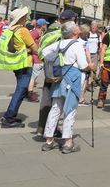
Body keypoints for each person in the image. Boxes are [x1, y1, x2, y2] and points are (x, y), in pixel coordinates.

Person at [40, 21, 92, 154]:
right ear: (74, 32)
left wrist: (58, 60)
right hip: (72, 79)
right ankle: (68, 142)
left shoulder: (59, 43)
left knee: (56, 108)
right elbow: (82, 65)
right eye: (75, 25)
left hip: (59, 78)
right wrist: (91, 66)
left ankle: (49, 141)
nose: (77, 26)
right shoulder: (77, 45)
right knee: (70, 110)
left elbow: (44, 51)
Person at [0, 6, 38, 128]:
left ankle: (10, 115)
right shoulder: (22, 30)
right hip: (25, 64)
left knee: (21, 89)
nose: (26, 17)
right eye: (24, 16)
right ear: (21, 18)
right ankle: (9, 117)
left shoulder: (9, 29)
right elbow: (34, 47)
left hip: (16, 63)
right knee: (21, 89)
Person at [35, 10, 76, 138]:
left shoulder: (48, 32)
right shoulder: (64, 33)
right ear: (70, 20)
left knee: (46, 99)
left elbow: (41, 51)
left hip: (48, 69)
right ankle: (51, 131)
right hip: (60, 71)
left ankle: (41, 128)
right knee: (57, 102)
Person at [27, 18, 48, 102]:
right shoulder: (35, 32)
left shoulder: (40, 32)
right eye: (45, 24)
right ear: (42, 25)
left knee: (33, 76)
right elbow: (28, 42)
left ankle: (28, 92)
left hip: (39, 57)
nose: (46, 26)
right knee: (33, 76)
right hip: (36, 58)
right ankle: (29, 93)